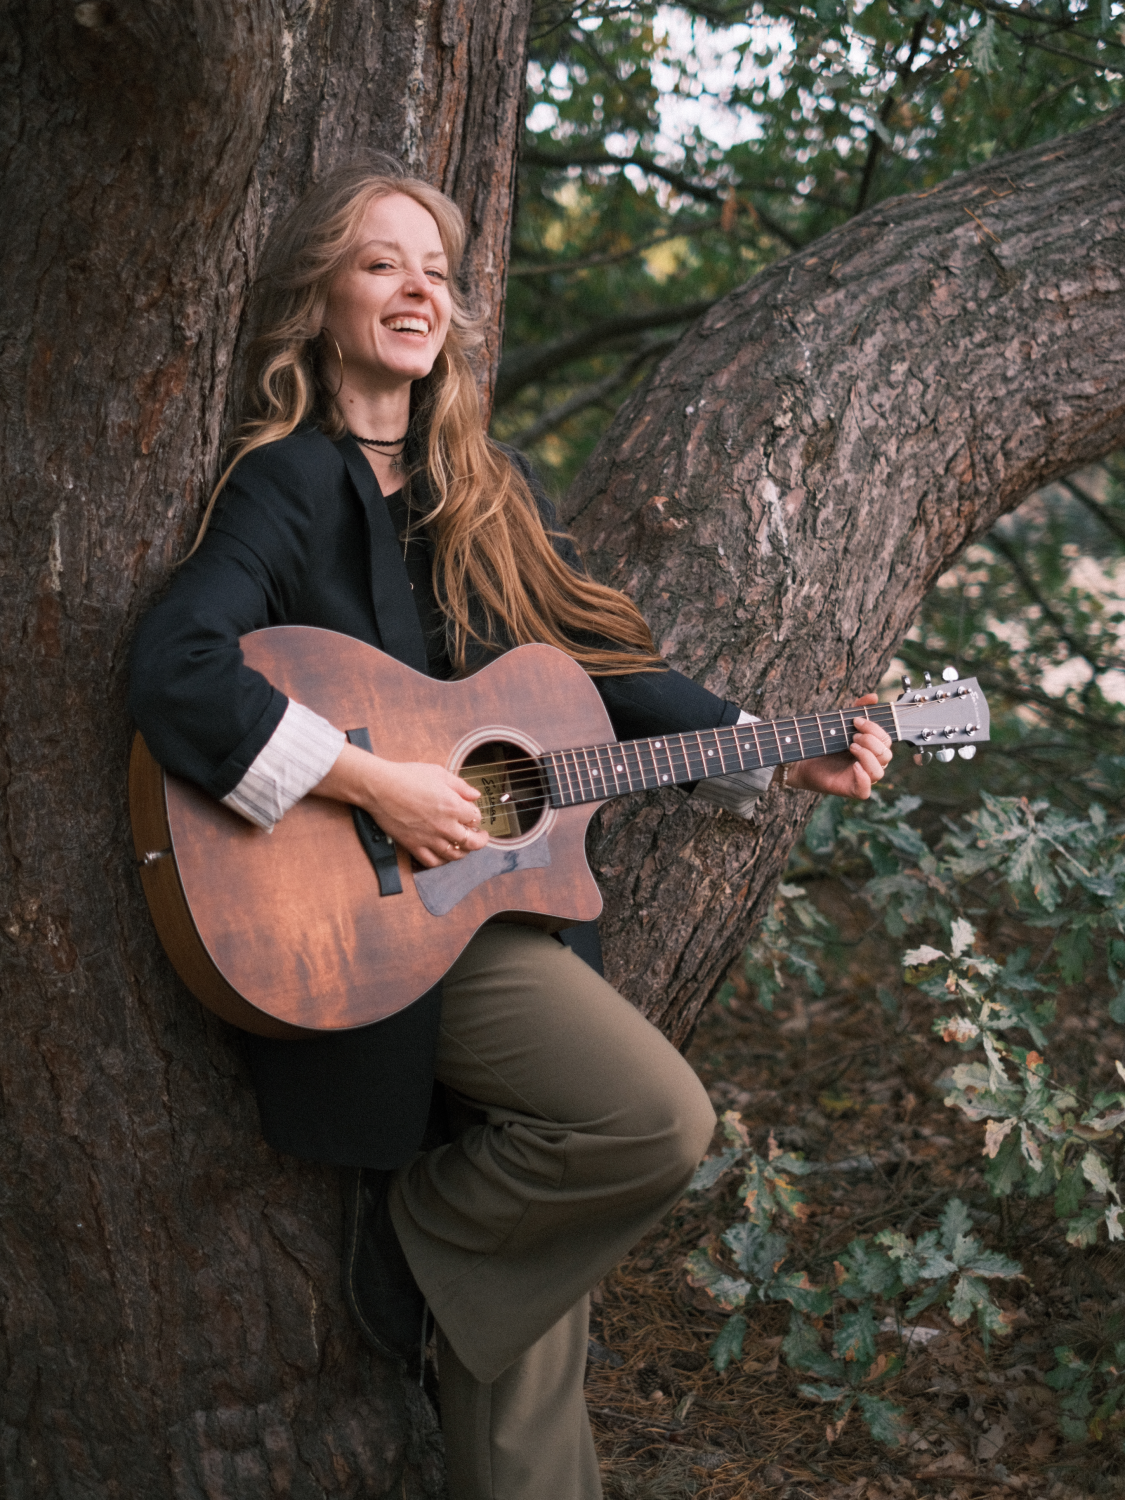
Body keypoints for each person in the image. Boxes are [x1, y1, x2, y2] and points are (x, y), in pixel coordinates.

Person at [128, 156, 893, 1499]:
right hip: (356, 921)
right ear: (323, 298)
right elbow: (180, 665)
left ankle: (480, 1322)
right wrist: (373, 788)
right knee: (657, 1120)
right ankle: (430, 1227)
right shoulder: (288, 484)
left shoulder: (488, 487)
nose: (418, 289)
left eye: (436, 270)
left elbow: (589, 677)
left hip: (488, 908)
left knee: (539, 1309)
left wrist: (781, 749)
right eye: (382, 264)